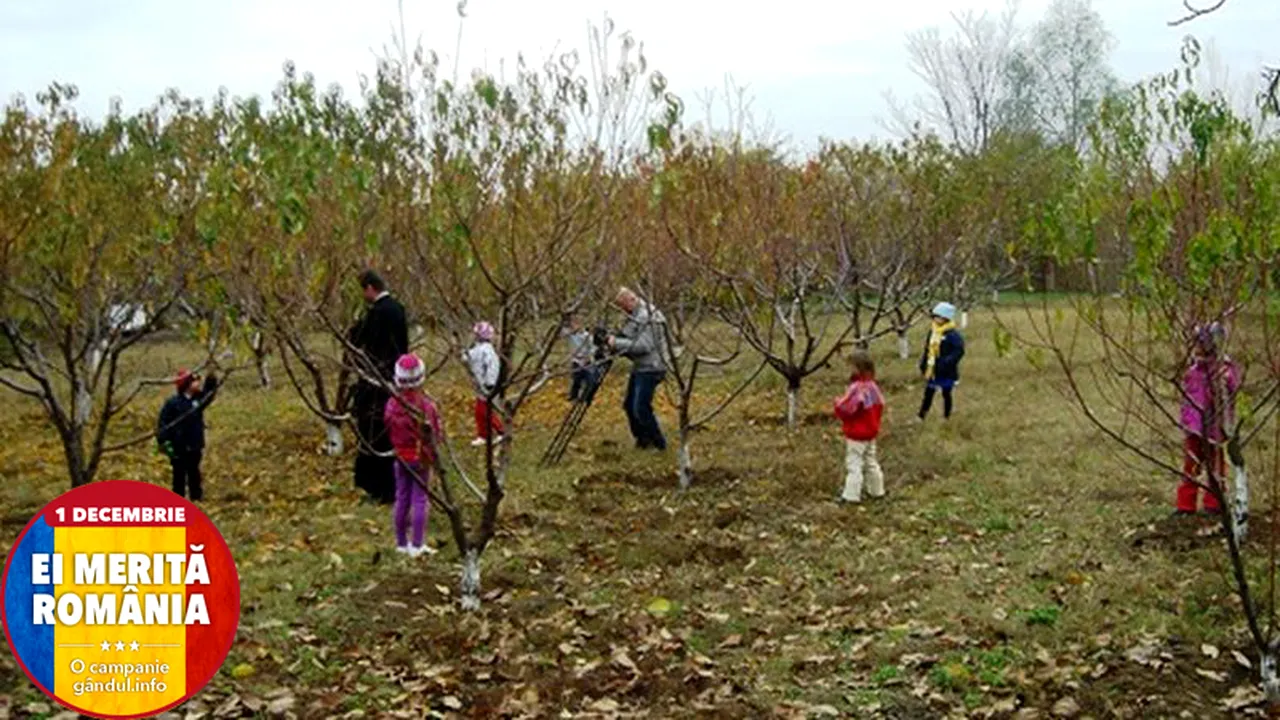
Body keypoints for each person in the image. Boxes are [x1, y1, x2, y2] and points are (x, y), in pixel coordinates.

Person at [351, 269, 410, 504]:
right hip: (395, 377)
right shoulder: (398, 309)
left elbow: (362, 342)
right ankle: (392, 485)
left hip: (375, 380)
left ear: (369, 288)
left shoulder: (377, 313)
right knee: (391, 430)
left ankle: (378, 488)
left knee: (373, 432)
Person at [1176, 322, 1241, 516]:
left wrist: (1222, 383)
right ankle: (1185, 505)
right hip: (1194, 427)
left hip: (1215, 427)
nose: (1197, 347)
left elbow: (1232, 389)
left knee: (1216, 467)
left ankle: (1214, 503)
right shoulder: (1193, 369)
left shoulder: (1224, 369)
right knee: (1191, 466)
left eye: (1201, 343)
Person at [383, 354, 442, 557]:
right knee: (420, 499)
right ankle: (417, 544)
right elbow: (435, 434)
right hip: (421, 457)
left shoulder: (392, 404)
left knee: (402, 498)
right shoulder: (426, 406)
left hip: (400, 456)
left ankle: (401, 542)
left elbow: (388, 426)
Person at [608, 287, 668, 450]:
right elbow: (628, 336)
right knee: (629, 405)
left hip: (653, 366)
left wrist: (616, 343)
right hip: (641, 366)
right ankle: (643, 440)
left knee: (641, 407)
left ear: (631, 300)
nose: (622, 311)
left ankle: (659, 443)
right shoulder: (634, 315)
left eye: (623, 306)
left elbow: (644, 345)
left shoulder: (649, 316)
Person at [157, 369, 220, 501]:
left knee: (194, 472)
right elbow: (163, 423)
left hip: (195, 444)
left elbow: (209, 395)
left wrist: (212, 379)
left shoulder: (198, 400)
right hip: (178, 445)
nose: (198, 383)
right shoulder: (173, 403)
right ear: (186, 385)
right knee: (178, 474)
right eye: (194, 381)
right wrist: (164, 442)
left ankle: (196, 498)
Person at [834, 351, 885, 503]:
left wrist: (837, 402)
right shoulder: (873, 387)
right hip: (870, 432)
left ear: (857, 368)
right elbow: (880, 406)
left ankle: (851, 495)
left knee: (854, 464)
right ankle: (877, 491)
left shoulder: (857, 389)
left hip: (856, 433)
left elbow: (847, 408)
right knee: (871, 462)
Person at [918, 302, 965, 421]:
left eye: (939, 317)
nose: (936, 319)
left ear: (946, 318)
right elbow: (927, 349)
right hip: (932, 369)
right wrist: (924, 364)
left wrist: (947, 362)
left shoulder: (952, 335)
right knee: (928, 393)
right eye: (935, 316)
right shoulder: (933, 332)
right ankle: (921, 415)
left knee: (946, 393)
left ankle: (946, 416)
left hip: (946, 371)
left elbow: (959, 351)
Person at [464, 321, 504, 446]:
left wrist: (490, 383)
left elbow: (492, 367)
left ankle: (501, 431)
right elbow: (468, 358)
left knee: (484, 410)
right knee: (479, 411)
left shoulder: (486, 351)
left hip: (486, 385)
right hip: (480, 385)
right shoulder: (478, 349)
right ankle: (483, 434)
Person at [565, 314, 595, 402]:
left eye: (576, 324)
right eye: (572, 325)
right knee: (576, 379)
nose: (574, 327)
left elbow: (592, 347)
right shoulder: (571, 335)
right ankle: (573, 396)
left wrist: (588, 357)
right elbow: (561, 333)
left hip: (586, 360)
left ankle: (585, 397)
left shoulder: (587, 336)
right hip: (576, 360)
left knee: (589, 380)